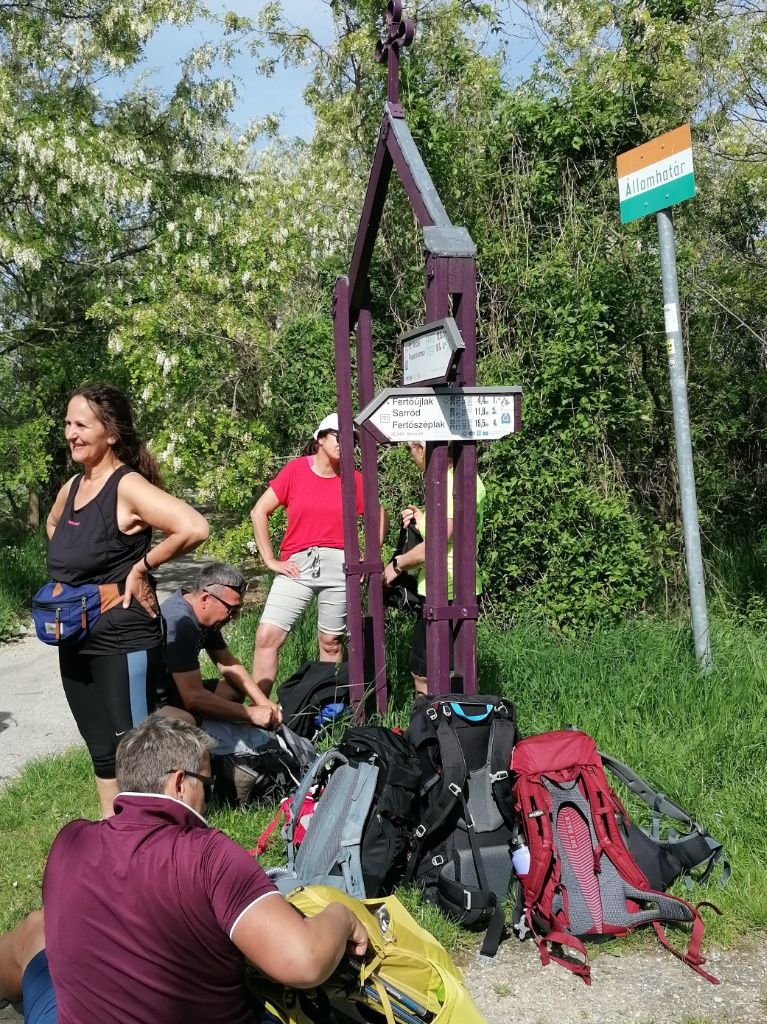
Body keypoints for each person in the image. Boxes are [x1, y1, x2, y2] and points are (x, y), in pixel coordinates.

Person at [0, 715, 367, 1024]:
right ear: (179, 782)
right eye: (207, 783)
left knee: (35, 928)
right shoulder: (208, 855)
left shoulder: (69, 842)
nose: (208, 797)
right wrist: (341, 916)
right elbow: (303, 962)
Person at [45, 383, 209, 818]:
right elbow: (54, 525)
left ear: (111, 433)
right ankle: (114, 835)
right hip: (75, 637)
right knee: (100, 748)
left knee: (132, 750)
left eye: (82, 424)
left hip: (123, 637)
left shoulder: (127, 486)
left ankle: (152, 839)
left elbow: (192, 526)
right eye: (67, 423)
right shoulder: (72, 487)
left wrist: (140, 567)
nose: (71, 433)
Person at [250, 413, 385, 697]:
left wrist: (368, 556)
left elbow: (378, 514)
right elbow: (259, 511)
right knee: (267, 637)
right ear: (321, 439)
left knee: (331, 642)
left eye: (353, 442)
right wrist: (270, 560)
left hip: (340, 564)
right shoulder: (296, 471)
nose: (346, 445)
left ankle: (327, 710)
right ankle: (259, 709)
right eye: (340, 437)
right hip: (297, 565)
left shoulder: (354, 480)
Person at [382, 441, 485, 693]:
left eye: (411, 450)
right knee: (452, 668)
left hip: (447, 590)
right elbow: (449, 530)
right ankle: (451, 723)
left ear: (423, 447)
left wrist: (397, 566)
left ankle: (430, 726)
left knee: (425, 673)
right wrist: (421, 518)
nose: (412, 457)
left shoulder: (450, 482)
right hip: (455, 586)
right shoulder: (460, 476)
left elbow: (439, 542)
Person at [158, 561, 281, 730]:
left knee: (235, 689)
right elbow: (193, 698)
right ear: (206, 598)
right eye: (231, 609)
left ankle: (207, 728)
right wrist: (249, 713)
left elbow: (228, 663)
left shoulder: (204, 616)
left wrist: (264, 702)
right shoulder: (180, 622)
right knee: (186, 721)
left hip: (179, 691)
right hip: (155, 702)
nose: (233, 617)